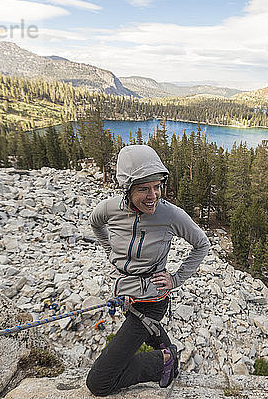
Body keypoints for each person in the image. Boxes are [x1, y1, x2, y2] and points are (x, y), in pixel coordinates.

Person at [86, 144, 210, 396]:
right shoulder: (111, 208)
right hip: (128, 296)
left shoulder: (170, 215)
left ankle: (164, 361)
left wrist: (175, 279)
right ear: (127, 189)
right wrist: (111, 251)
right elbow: (95, 224)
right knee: (145, 330)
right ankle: (167, 351)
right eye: (143, 188)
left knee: (99, 383)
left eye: (157, 186)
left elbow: (202, 244)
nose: (153, 195)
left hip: (152, 301)